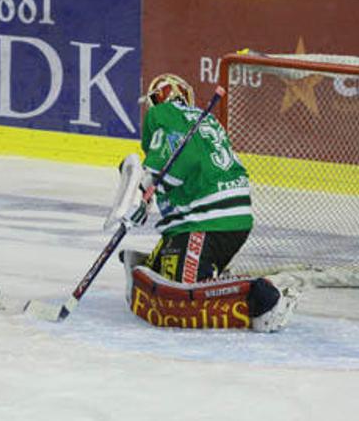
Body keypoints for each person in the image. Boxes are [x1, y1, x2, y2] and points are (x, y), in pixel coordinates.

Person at [111, 73, 297, 332]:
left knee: (182, 297)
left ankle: (263, 297)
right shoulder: (205, 120)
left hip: (208, 219)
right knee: (164, 274)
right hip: (229, 214)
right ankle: (187, 267)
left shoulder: (163, 114)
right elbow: (186, 164)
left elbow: (173, 160)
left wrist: (144, 185)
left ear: (156, 101)